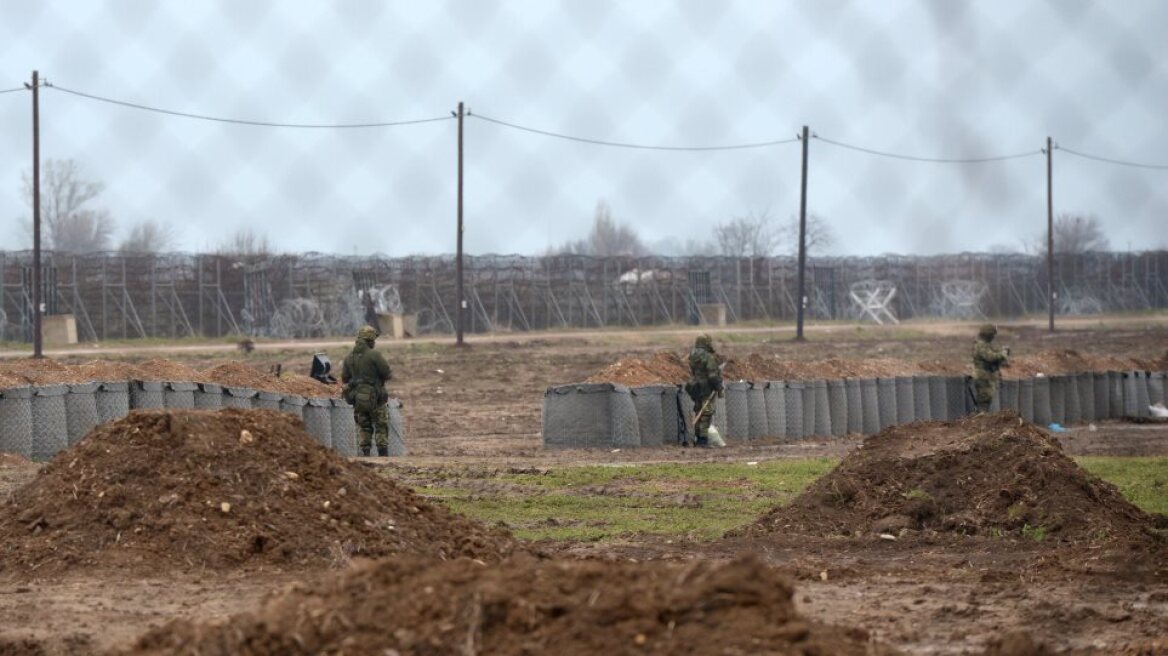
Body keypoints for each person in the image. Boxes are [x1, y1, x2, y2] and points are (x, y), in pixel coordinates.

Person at [341, 325, 393, 456]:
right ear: (370, 340)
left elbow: (345, 378)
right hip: (376, 398)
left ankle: (366, 455)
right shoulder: (374, 355)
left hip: (358, 399)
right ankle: (383, 455)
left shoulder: (349, 357)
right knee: (381, 425)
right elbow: (387, 373)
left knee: (364, 426)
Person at [686, 333, 723, 448]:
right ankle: (703, 439)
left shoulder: (692, 355)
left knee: (698, 411)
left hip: (695, 386)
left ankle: (697, 437)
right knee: (706, 413)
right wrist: (718, 387)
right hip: (706, 388)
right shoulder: (708, 356)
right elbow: (712, 375)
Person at [971, 323, 1009, 413]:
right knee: (984, 400)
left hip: (987, 376)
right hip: (983, 376)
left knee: (987, 399)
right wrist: (1002, 354)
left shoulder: (984, 345)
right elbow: (989, 357)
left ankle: (983, 416)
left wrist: (1001, 353)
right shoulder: (981, 345)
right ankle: (981, 418)